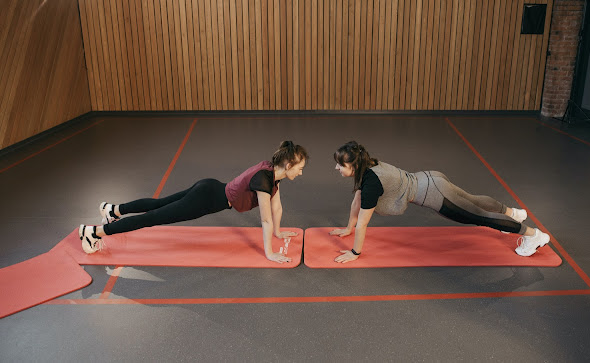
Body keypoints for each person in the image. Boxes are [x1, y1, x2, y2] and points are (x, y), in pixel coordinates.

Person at [79, 141, 308, 264]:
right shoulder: (264, 180)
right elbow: (266, 219)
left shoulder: (271, 172)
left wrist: (279, 233)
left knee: (159, 205)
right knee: (154, 217)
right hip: (206, 199)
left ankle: (113, 210)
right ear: (288, 166)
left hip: (209, 187)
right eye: (299, 168)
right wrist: (269, 252)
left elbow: (276, 207)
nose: (300, 173)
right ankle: (95, 232)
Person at [330, 141, 550, 263]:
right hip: (430, 178)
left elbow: (364, 222)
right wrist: (348, 228)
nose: (337, 168)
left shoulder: (371, 184)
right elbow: (357, 200)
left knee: (479, 216)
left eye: (341, 165)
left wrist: (355, 253)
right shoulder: (369, 164)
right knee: (472, 200)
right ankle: (512, 212)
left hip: (434, 194)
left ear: (354, 166)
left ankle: (533, 236)